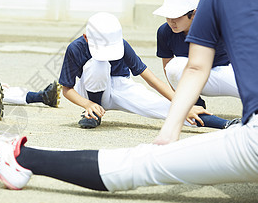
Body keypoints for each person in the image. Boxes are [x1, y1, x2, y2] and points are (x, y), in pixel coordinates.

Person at [0, 0, 258, 192]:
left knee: (141, 163)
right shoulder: (78, 48)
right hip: (94, 95)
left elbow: (192, 68)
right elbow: (69, 87)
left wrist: (170, 131)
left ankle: (18, 159)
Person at [57, 11, 234, 129]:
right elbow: (67, 89)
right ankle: (94, 114)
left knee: (172, 110)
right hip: (87, 91)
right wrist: (87, 104)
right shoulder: (75, 48)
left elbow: (151, 79)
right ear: (86, 37)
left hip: (120, 86)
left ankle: (227, 124)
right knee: (98, 64)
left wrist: (184, 105)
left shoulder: (122, 44)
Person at [154, 0, 241, 128]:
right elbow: (167, 68)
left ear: (194, 14)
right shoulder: (165, 31)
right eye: (168, 16)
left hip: (227, 71)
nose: (171, 21)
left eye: (176, 16)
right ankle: (195, 105)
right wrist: (182, 102)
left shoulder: (215, 25)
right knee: (173, 67)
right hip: (197, 76)